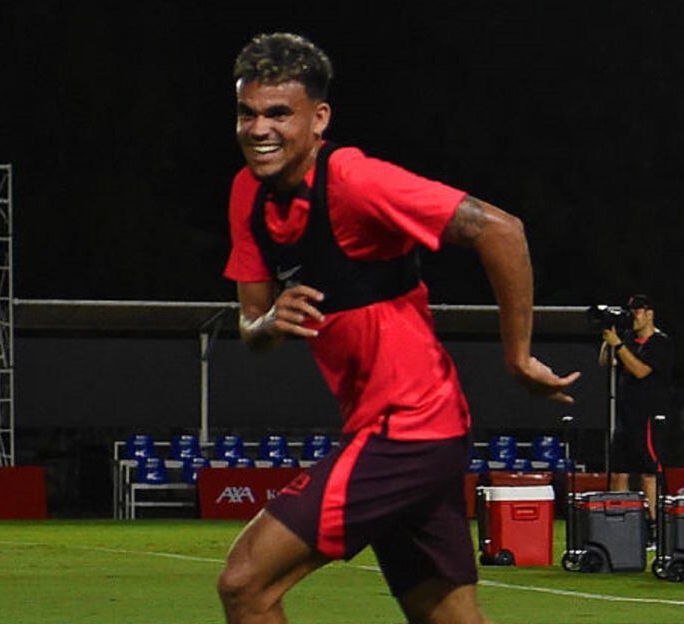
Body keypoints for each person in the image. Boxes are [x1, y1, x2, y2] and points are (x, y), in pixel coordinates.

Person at [218, 32, 579, 624]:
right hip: (400, 431)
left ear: (319, 117)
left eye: (279, 114)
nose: (260, 129)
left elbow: (501, 230)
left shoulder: (355, 180)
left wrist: (517, 357)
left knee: (245, 584)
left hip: (408, 428)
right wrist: (267, 323)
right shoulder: (246, 195)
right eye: (247, 113)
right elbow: (250, 326)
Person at [599, 294, 673, 531]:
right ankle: (617, 522)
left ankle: (653, 525)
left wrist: (618, 345)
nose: (633, 316)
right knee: (618, 472)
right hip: (625, 415)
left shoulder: (660, 343)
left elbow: (641, 371)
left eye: (638, 311)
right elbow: (606, 362)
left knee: (647, 473)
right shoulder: (628, 339)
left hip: (648, 416)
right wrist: (609, 336)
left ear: (649, 313)